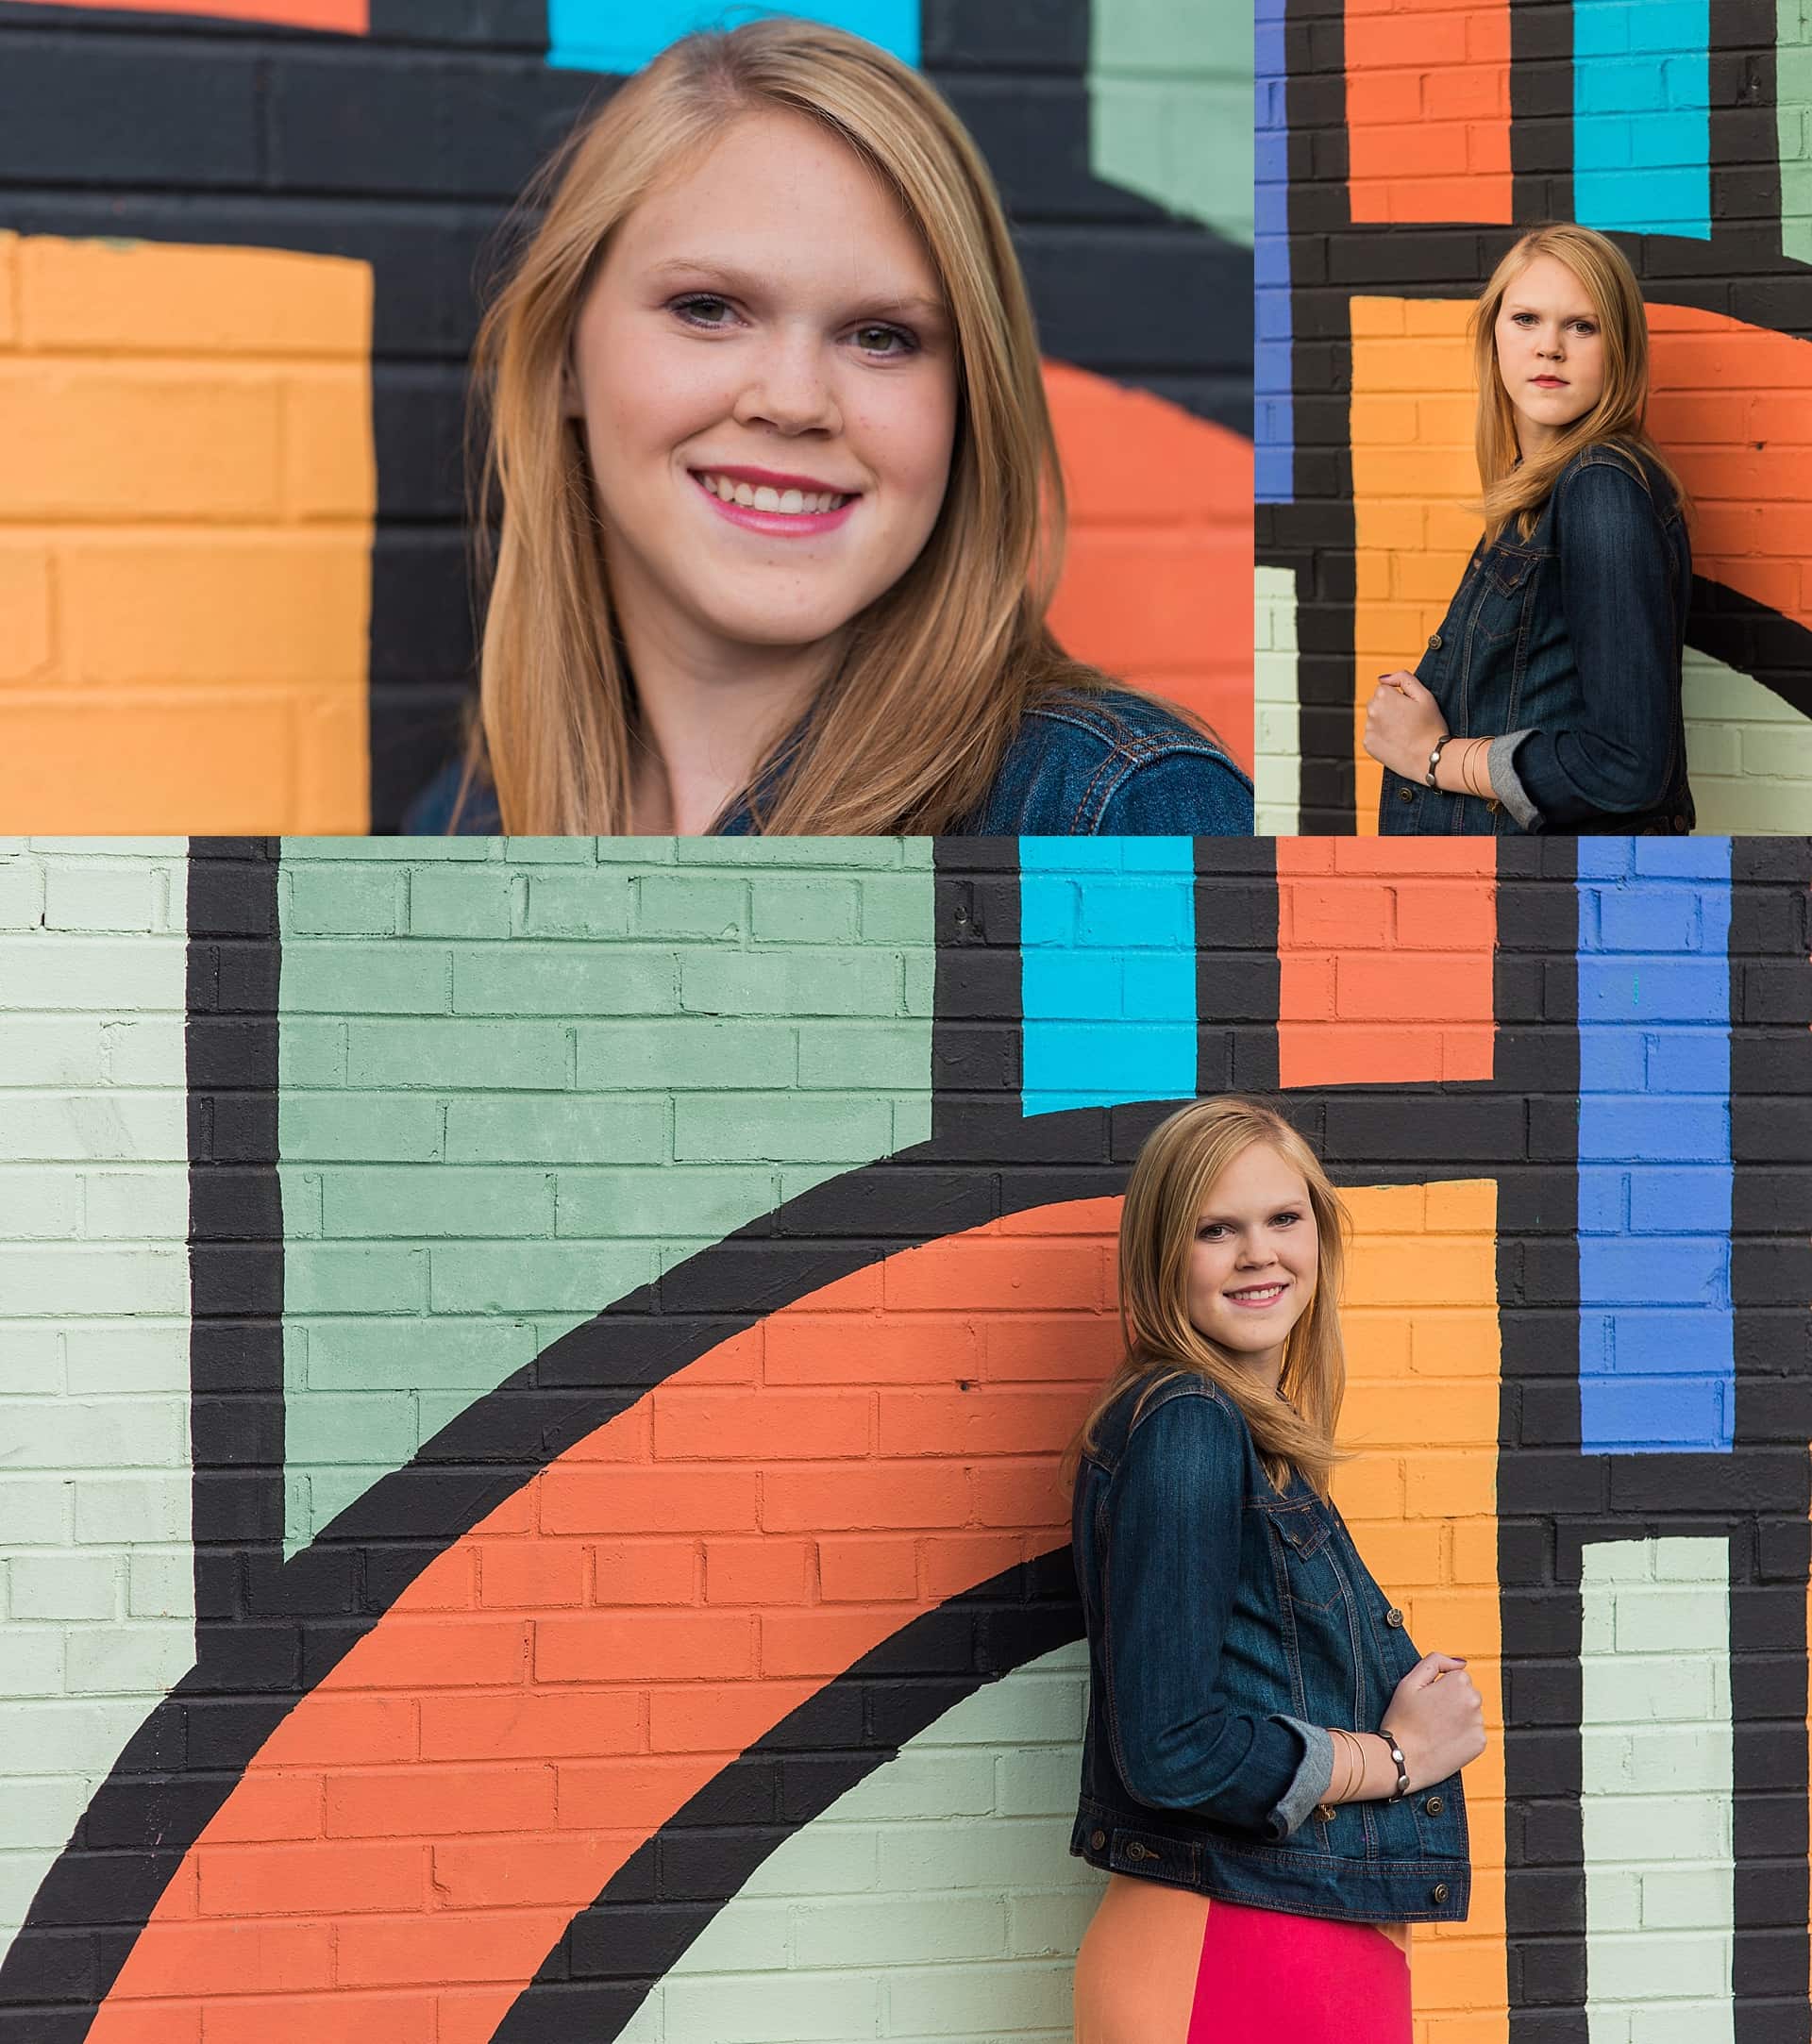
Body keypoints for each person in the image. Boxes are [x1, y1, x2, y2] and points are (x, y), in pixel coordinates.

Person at [405, 18, 1251, 837]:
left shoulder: (1106, 817)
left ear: (968, 401)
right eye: (708, 309)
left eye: (883, 337)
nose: (796, 400)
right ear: (563, 360)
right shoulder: (464, 826)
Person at [1067, 1097, 1486, 2042]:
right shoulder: (1189, 1425)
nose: (1259, 1252)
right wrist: (1397, 1757)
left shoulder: (1235, 1432)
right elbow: (1170, 1748)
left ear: (1320, 1234)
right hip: (1237, 1947)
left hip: (1283, 1945)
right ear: (1164, 1256)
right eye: (1218, 1229)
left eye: (1282, 1218)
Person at [1363, 222, 1694, 835]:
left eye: (1582, 326)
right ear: (1493, 337)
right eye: (1526, 320)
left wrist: (1432, 757)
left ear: (1619, 347)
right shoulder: (1539, 486)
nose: (1550, 347)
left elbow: (1627, 765)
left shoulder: (1600, 485)